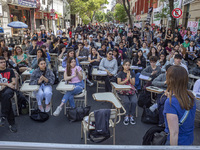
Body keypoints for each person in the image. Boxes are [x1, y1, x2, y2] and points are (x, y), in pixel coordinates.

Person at [163, 65, 196, 145]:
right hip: (188, 139)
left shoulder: (170, 103)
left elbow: (174, 133)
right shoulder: (190, 96)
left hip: (177, 142)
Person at [117, 59, 137, 125]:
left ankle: (131, 115)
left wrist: (130, 78)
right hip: (122, 91)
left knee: (134, 101)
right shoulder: (120, 73)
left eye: (128, 65)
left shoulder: (132, 73)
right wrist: (127, 79)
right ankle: (126, 115)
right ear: (123, 65)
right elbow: (119, 83)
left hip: (131, 91)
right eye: (126, 65)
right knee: (126, 102)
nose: (127, 66)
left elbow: (133, 83)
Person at [0, 56, 17, 132]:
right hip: (3, 88)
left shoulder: (10, 70)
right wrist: (7, 84)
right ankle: (11, 123)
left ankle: (3, 116)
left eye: (4, 62)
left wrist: (5, 85)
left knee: (6, 95)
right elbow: (10, 83)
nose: (3, 63)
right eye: (1, 62)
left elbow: (14, 82)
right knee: (7, 101)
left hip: (9, 90)